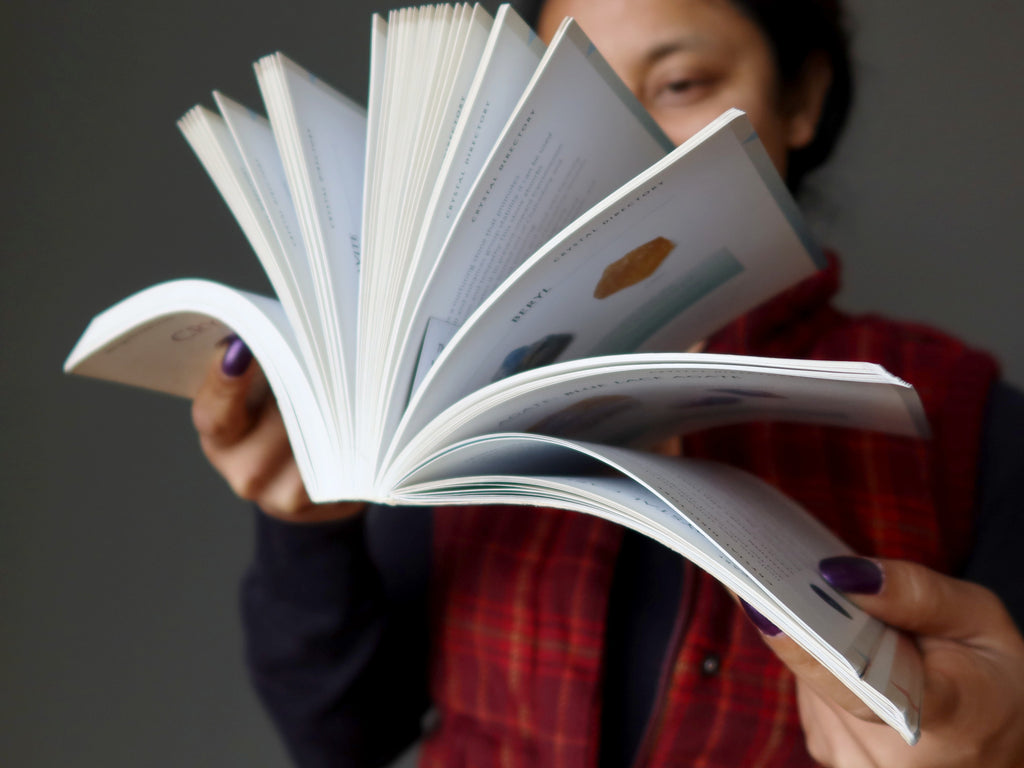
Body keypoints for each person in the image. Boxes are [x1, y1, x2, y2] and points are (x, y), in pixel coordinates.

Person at [191, 0, 1024, 765]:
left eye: (681, 83)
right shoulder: (457, 384)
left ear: (802, 98)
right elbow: (343, 736)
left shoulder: (960, 416)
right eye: (568, 104)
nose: (619, 154)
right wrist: (308, 524)